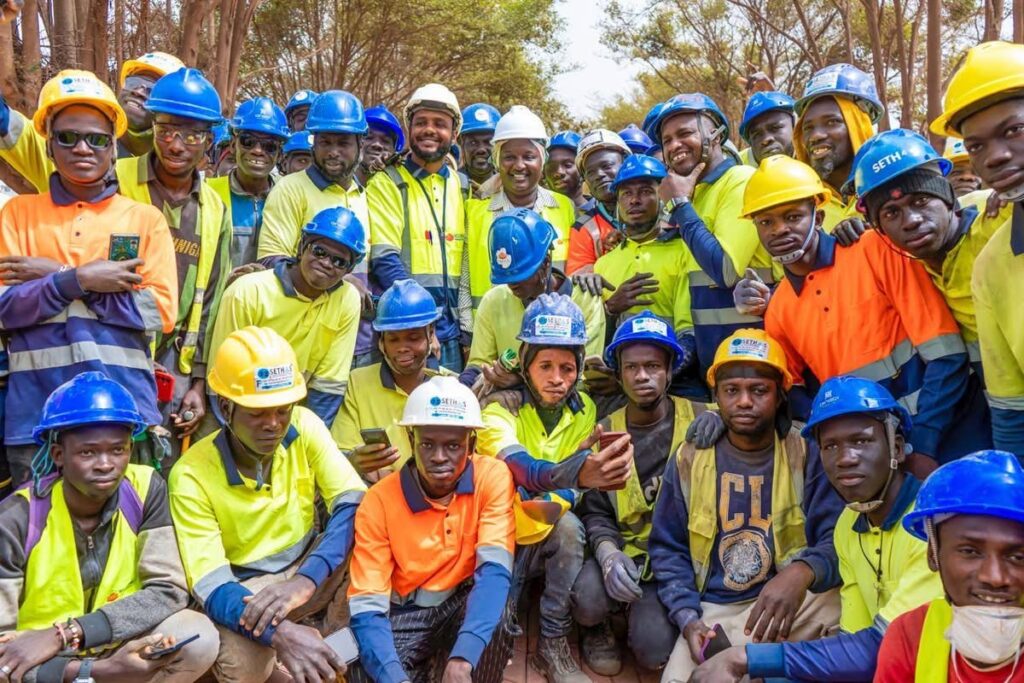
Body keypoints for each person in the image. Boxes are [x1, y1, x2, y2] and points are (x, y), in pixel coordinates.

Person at [736, 153, 985, 468]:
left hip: (954, 430)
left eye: (793, 216)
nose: (780, 230)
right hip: (878, 457)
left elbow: (946, 354)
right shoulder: (779, 309)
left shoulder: (873, 250)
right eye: (766, 222)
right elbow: (794, 391)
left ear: (819, 216)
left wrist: (923, 444)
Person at [692, 376, 944, 682]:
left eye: (861, 441)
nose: (845, 459)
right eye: (830, 446)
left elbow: (884, 647)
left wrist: (747, 658)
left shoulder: (929, 524)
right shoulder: (848, 524)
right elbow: (853, 637)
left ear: (898, 448)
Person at [0, 70, 177, 485]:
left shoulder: (144, 220)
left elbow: (159, 312)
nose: (83, 148)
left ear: (113, 146)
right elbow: (5, 309)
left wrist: (51, 276)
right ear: (49, 143)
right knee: (38, 525)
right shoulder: (18, 215)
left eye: (97, 139)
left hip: (124, 414)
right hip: (37, 419)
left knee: (128, 523)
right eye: (68, 137)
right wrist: (80, 279)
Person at [168, 326, 364, 682]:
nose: (273, 424)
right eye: (257, 413)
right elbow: (213, 585)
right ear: (225, 407)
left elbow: (351, 502)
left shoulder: (304, 426)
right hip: (247, 590)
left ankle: (331, 648)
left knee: (374, 538)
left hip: (307, 569)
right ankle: (290, 655)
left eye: (282, 410)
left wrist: (304, 580)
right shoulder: (190, 474)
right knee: (244, 665)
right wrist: (281, 634)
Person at [650, 329, 843, 682]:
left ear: (780, 395)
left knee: (841, 603)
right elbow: (668, 548)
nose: (743, 401)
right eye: (731, 391)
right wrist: (688, 618)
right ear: (716, 396)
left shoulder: (804, 451)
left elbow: (840, 537)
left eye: (759, 390)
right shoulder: (690, 457)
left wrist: (802, 572)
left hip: (790, 600)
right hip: (715, 611)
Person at [0, 373, 218, 683]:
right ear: (58, 455)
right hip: (45, 663)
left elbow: (168, 590)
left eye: (118, 450)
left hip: (116, 641)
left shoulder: (145, 488)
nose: (105, 464)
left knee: (197, 636)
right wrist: (93, 671)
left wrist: (70, 632)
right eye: (88, 452)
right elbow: (4, 650)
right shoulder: (16, 519)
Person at [476, 293, 619, 683]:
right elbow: (518, 466)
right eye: (545, 366)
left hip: (549, 519)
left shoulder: (585, 409)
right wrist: (570, 476)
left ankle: (552, 641)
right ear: (525, 364)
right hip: (499, 528)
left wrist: (562, 493)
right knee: (490, 637)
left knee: (570, 530)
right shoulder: (499, 408)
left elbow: (580, 488)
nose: (557, 379)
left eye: (567, 368)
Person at [573, 312, 722, 675]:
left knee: (654, 651)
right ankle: (598, 626)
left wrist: (725, 421)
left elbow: (758, 418)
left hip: (675, 563)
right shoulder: (605, 432)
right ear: (619, 374)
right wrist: (608, 554)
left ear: (670, 370)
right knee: (586, 598)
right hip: (625, 553)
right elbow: (595, 510)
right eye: (631, 367)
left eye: (653, 366)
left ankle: (640, 614)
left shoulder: (703, 418)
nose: (642, 376)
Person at [346, 376, 515, 683]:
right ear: (411, 439)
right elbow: (368, 606)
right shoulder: (379, 500)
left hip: (462, 601)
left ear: (471, 445)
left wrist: (464, 658)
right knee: (362, 670)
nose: (439, 457)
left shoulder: (492, 477)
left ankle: (459, 667)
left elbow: (494, 572)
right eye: (427, 444)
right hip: (406, 613)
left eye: (453, 446)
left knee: (496, 617)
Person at [851, 129, 1002, 393]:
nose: (911, 220)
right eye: (891, 213)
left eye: (921, 200)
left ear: (948, 197)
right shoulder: (905, 266)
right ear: (880, 228)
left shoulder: (995, 215)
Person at [930, 41, 1024, 458]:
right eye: (977, 146)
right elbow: (1011, 415)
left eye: (1013, 130)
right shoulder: (991, 267)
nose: (995, 157)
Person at [135, 67, 233, 459]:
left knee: (162, 466)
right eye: (166, 131)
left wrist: (199, 383)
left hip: (174, 364)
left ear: (209, 139)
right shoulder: (118, 180)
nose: (176, 145)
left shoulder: (214, 209)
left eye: (192, 135)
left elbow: (211, 301)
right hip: (115, 349)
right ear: (152, 128)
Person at [651, 93, 774, 382]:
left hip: (754, 361)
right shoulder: (695, 194)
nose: (674, 145)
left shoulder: (741, 180)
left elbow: (726, 271)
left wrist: (679, 205)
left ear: (716, 136)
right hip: (715, 363)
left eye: (685, 134)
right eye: (667, 140)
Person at [874, 449, 1024, 682]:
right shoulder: (911, 634)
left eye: (1018, 557)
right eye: (970, 551)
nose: (995, 577)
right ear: (933, 555)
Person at [208, 206, 365, 428]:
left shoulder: (347, 299)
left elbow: (328, 388)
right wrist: (244, 437)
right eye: (319, 252)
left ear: (349, 270)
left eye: (339, 261)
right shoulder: (247, 292)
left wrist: (299, 439)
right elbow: (223, 379)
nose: (327, 263)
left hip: (293, 420)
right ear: (301, 247)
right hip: (238, 414)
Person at [368, 83, 467, 372]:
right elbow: (385, 259)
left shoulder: (463, 187)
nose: (429, 130)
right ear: (409, 128)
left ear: (454, 134)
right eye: (421, 122)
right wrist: (423, 323)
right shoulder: (387, 182)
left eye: (440, 124)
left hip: (454, 333)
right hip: (409, 330)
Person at [460, 208, 605, 391]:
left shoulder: (585, 300)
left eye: (521, 275)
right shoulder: (494, 301)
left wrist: (520, 381)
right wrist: (464, 384)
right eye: (507, 277)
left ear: (546, 262)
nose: (512, 284)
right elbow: (479, 363)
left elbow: (584, 375)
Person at [462, 105, 576, 325]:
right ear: (497, 161)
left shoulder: (564, 207)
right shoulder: (475, 211)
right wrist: (468, 330)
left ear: (542, 160)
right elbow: (465, 281)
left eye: (529, 156)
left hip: (554, 329)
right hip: (492, 330)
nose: (519, 165)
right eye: (509, 157)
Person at [0, 52, 184, 188]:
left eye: (154, 89)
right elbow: (5, 121)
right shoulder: (60, 145)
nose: (139, 91)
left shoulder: (172, 173)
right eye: (133, 82)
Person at [332, 278, 453, 479]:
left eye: (413, 338)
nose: (402, 347)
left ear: (431, 335)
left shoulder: (452, 386)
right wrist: (355, 462)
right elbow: (341, 453)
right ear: (381, 342)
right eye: (393, 339)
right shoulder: (357, 383)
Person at [257, 90, 369, 264]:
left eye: (343, 143)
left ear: (360, 145)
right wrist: (331, 276)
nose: (333, 152)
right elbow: (270, 259)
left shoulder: (362, 194)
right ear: (313, 144)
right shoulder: (290, 189)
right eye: (325, 142)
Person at [792, 63, 882, 238]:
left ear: (859, 126)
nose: (815, 136)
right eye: (808, 127)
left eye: (832, 122)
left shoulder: (890, 186)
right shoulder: (797, 199)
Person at [207, 97, 290, 268]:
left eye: (269, 146)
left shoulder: (289, 196)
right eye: (248, 142)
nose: (257, 151)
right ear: (233, 145)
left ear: (280, 155)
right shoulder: (208, 193)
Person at [566, 129, 630, 275]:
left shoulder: (658, 211)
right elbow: (578, 281)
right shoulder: (583, 228)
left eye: (607, 166)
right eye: (590, 172)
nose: (599, 175)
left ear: (626, 164)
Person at [738, 91, 796, 166]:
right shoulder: (736, 165)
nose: (766, 140)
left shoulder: (810, 156)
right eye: (757, 134)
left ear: (795, 127)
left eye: (775, 128)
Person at [459, 102, 501, 198]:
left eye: (489, 142)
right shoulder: (449, 186)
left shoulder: (510, 188)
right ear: (462, 145)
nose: (481, 149)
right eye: (473, 142)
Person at [355, 104, 403, 187]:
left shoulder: (401, 189)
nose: (377, 145)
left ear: (394, 151)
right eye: (369, 137)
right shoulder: (335, 183)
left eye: (385, 141)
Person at [545, 131, 586, 211]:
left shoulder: (603, 211)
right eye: (552, 167)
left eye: (568, 165)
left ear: (583, 168)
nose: (559, 172)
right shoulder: (538, 213)